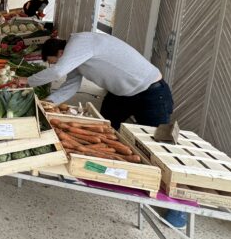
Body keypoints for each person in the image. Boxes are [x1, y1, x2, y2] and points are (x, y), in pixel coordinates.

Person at [25, 33, 186, 229]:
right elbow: (70, 87)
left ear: (60, 53)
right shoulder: (76, 58)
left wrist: (26, 81)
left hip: (151, 91)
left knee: (159, 148)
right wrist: (46, 104)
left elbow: (58, 71)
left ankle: (180, 207)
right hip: (121, 95)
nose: (56, 65)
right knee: (102, 133)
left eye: (53, 61)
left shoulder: (81, 42)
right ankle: (96, 173)